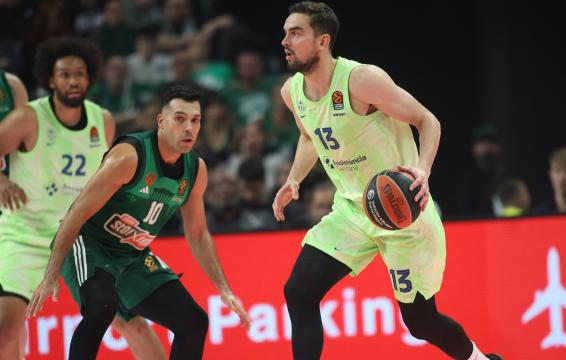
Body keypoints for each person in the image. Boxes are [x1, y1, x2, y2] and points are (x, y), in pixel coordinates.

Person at [272, 2, 502, 360]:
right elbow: (309, 135)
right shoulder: (292, 92)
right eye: (285, 32)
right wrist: (294, 179)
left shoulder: (361, 80)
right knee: (298, 292)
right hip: (352, 210)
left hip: (402, 212)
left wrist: (422, 170)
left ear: (322, 41)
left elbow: (428, 121)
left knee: (421, 323)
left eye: (295, 32)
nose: (285, 40)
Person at [26, 84, 251, 359]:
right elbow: (76, 213)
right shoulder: (129, 156)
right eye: (180, 118)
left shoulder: (195, 170)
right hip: (89, 243)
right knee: (102, 307)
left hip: (132, 255)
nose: (189, 128)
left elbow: (198, 234)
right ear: (161, 121)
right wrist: (51, 275)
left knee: (193, 323)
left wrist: (224, 290)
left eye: (195, 120)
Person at [0, 38, 167, 360]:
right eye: (64, 74)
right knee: (6, 328)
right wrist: (3, 180)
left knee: (131, 322)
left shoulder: (101, 120)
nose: (73, 80)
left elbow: (107, 180)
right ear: (50, 80)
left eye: (79, 74)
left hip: (80, 236)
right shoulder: (27, 118)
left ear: (90, 78)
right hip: (26, 234)